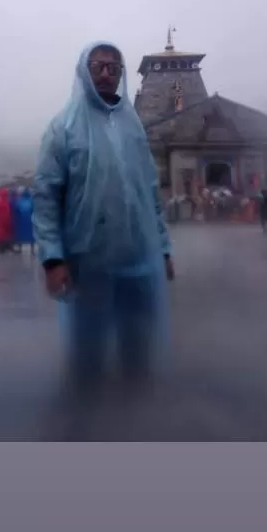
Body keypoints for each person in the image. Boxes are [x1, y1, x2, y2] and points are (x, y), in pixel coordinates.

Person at [33, 41, 174, 389]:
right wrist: (53, 259)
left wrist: (163, 248)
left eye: (115, 67)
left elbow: (149, 190)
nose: (107, 73)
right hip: (88, 260)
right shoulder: (63, 128)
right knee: (88, 355)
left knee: (138, 348)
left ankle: (135, 419)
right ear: (84, 70)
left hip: (138, 257)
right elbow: (46, 197)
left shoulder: (133, 125)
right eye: (98, 66)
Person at [13, 186, 36, 255]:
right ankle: (32, 250)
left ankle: (20, 249)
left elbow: (16, 211)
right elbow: (34, 210)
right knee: (31, 235)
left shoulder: (19, 201)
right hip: (30, 221)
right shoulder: (32, 200)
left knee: (20, 235)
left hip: (21, 221)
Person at [0, 187, 15, 255]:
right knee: (5, 236)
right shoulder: (5, 203)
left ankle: (0, 248)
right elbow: (7, 214)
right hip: (4, 223)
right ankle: (4, 248)